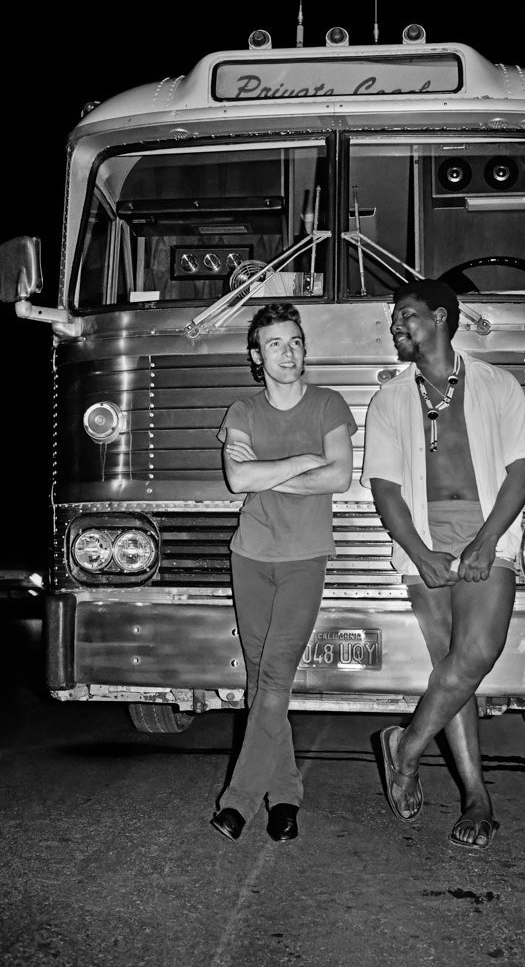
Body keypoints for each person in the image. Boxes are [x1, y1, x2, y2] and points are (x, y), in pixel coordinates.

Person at [361, 279, 525, 850]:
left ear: (440, 318)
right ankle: (476, 797)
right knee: (448, 668)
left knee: (475, 655)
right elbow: (386, 489)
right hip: (425, 541)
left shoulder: (496, 385)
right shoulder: (389, 398)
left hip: (486, 532)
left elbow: (521, 471)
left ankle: (405, 751)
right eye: (394, 320)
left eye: (406, 317)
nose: (396, 327)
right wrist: (418, 552)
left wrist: (487, 542)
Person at [212, 302, 356, 843]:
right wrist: (300, 462)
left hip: (304, 558)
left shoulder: (328, 404)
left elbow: (339, 477)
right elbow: (237, 478)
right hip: (250, 556)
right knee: (260, 682)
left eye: (295, 341)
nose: (287, 351)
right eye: (275, 343)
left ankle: (241, 800)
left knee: (275, 676)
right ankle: (287, 796)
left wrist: (266, 475)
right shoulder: (243, 411)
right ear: (257, 356)